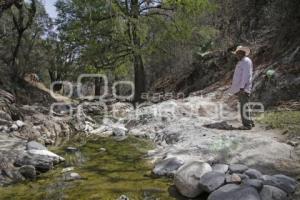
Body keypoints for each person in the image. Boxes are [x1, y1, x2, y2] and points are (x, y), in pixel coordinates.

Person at [228, 46, 255, 130]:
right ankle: (250, 122)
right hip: (242, 87)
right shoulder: (242, 61)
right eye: (236, 53)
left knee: (244, 106)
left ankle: (247, 125)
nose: (236, 55)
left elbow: (245, 75)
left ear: (242, 53)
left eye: (238, 53)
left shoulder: (246, 61)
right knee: (245, 105)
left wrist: (242, 88)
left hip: (243, 88)